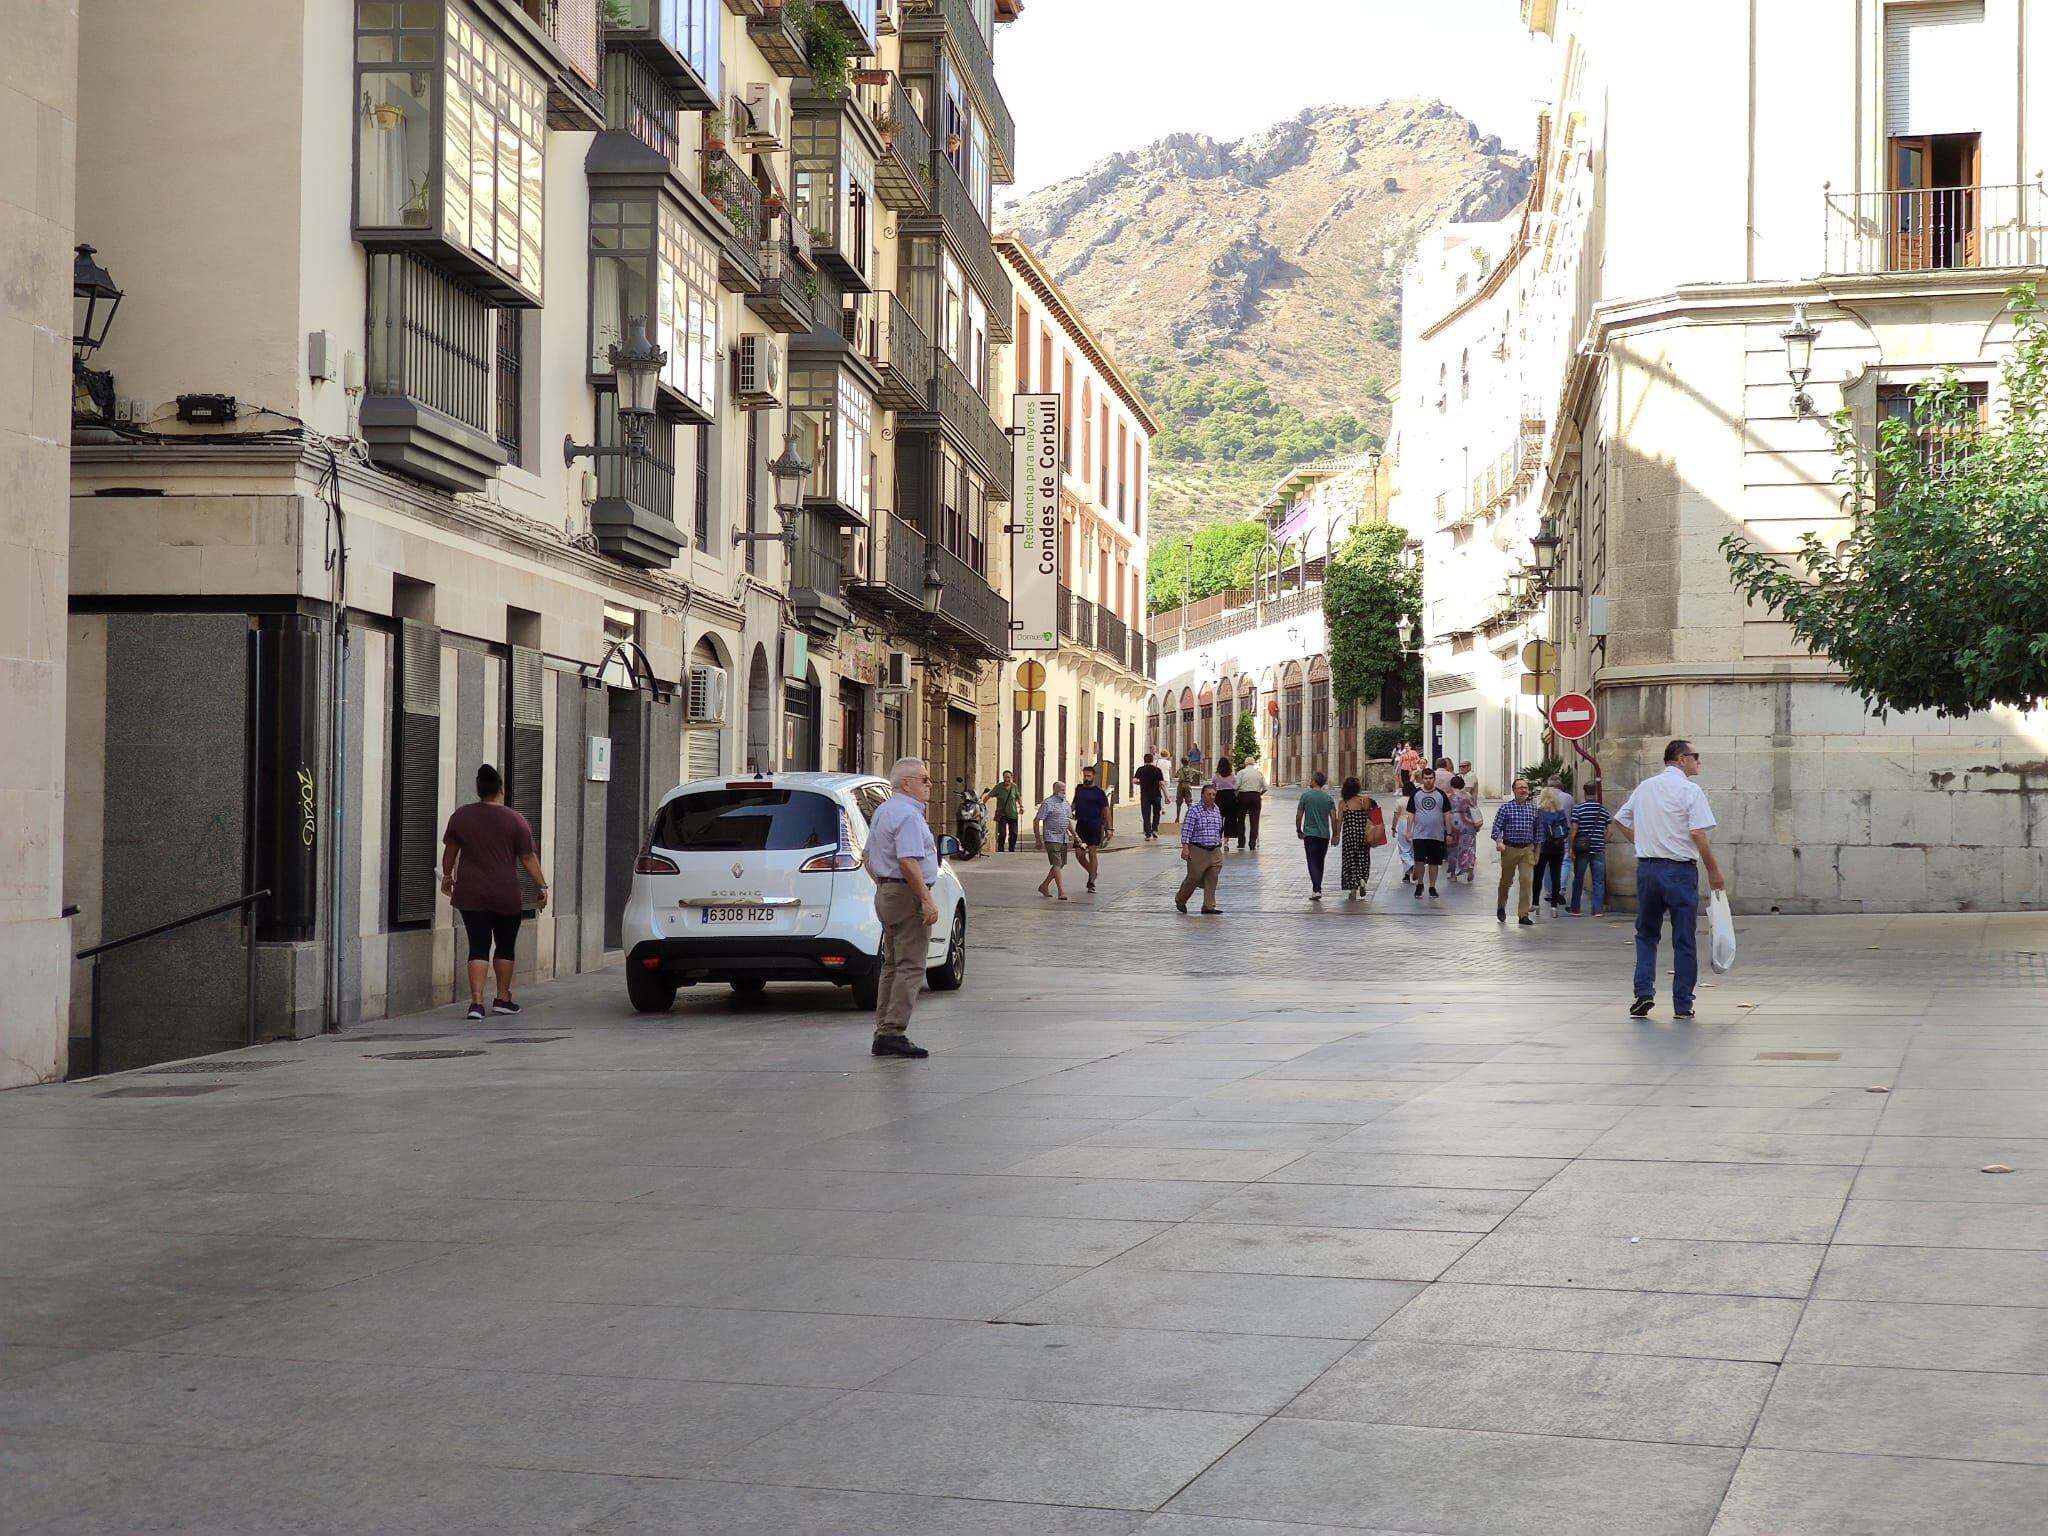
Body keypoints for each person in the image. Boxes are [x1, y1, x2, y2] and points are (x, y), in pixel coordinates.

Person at [1613, 740, 1725, 1020]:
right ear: (1680, 758)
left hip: (1648, 868)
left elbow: (1620, 819)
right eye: (1695, 756)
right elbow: (1699, 833)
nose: (1699, 761)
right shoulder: (1690, 790)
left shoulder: (1646, 787)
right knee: (1684, 937)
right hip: (1680, 870)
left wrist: (1643, 842)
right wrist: (1713, 869)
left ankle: (1643, 993)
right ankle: (1682, 1002)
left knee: (1647, 933)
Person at [440, 764, 547, 1021]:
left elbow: (450, 852)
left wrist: (447, 876)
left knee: (478, 946)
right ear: (501, 789)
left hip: (471, 892)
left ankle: (476, 1002)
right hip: (505, 893)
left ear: (478, 789)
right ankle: (502, 997)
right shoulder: (516, 820)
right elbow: (528, 857)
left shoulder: (461, 817)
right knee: (505, 945)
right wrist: (542, 886)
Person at [864, 757, 940, 1058]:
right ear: (906, 783)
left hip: (888, 890)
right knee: (910, 965)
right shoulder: (908, 815)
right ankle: (892, 1032)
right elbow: (908, 860)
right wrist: (924, 897)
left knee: (892, 964)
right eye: (924, 779)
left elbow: (868, 854)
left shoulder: (884, 810)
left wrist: (883, 884)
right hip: (905, 893)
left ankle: (884, 1029)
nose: (929, 785)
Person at [1491, 777, 1542, 925]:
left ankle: (1523, 914)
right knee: (1506, 881)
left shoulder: (1533, 809)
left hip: (1527, 849)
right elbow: (1496, 828)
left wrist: (1537, 851)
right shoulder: (1505, 808)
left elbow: (1538, 832)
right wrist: (1499, 841)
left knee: (1526, 880)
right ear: (1514, 790)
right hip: (1510, 849)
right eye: (1520, 787)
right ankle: (1501, 906)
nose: (1523, 790)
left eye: (1525, 787)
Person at [1175, 783, 1226, 914]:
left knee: (1213, 876)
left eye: (1214, 794)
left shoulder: (1216, 809)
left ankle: (1209, 906)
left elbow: (1219, 828)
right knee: (1194, 877)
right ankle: (1181, 899)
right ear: (1203, 795)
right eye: (1209, 794)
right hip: (1198, 849)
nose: (1212, 797)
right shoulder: (1194, 810)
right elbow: (1187, 830)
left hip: (1214, 849)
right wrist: (1185, 848)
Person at [1405, 766, 1451, 899]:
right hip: (1420, 834)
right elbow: (1411, 813)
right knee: (1419, 861)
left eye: (1431, 778)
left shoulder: (1441, 795)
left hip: (1436, 835)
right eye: (1426, 778)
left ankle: (1432, 886)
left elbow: (1447, 814)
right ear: (1422, 779)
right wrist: (1409, 830)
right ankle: (1420, 883)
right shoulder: (1416, 794)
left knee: (1434, 862)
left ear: (1434, 779)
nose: (1429, 781)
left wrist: (1449, 832)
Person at [1335, 776, 1384, 900]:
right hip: (1363, 834)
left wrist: (1336, 835)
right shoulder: (1365, 801)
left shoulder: (1343, 803)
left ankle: (1353, 887)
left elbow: (1339, 821)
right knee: (1363, 857)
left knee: (1350, 860)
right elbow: (1376, 817)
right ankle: (1362, 878)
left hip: (1349, 835)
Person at [1569, 781, 1612, 916]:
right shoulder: (1602, 809)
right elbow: (1610, 830)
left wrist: (1571, 847)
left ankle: (1575, 908)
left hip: (1582, 849)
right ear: (1596, 791)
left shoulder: (1578, 808)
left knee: (1579, 878)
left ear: (1584, 791)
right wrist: (1603, 841)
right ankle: (1597, 910)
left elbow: (1574, 829)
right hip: (1598, 849)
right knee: (1598, 881)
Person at [1296, 769, 1337, 900]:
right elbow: (1333, 818)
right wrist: (1335, 834)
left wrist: (1299, 829)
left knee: (1312, 861)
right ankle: (1318, 887)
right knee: (1320, 861)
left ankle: (1316, 888)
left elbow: (1299, 815)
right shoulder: (1328, 798)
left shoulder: (1305, 796)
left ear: (1314, 781)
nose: (1310, 780)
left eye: (1311, 779)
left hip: (1310, 834)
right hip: (1324, 835)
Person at [1072, 765, 1112, 893]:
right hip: (1081, 826)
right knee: (1079, 854)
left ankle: (1091, 882)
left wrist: (1109, 828)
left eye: (1089, 776)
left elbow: (1106, 810)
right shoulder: (1079, 789)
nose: (1086, 778)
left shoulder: (1099, 792)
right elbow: (1074, 804)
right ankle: (1092, 872)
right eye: (1085, 776)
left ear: (1093, 776)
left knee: (1092, 853)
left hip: (1094, 826)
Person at [1033, 780, 1073, 900]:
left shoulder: (1066, 803)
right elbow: (1037, 820)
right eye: (1061, 789)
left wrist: (1075, 836)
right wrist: (1038, 839)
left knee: (1060, 865)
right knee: (1056, 863)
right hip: (1051, 837)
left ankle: (1044, 886)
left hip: (1063, 837)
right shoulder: (1047, 803)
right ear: (1055, 790)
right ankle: (1061, 892)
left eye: (1064, 789)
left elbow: (1068, 821)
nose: (1063, 791)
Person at [1534, 786, 1572, 913]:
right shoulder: (1560, 812)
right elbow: (1566, 831)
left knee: (1538, 875)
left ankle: (1535, 903)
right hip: (1558, 848)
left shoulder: (1538, 812)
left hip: (1542, 847)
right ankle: (1554, 906)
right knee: (1556, 875)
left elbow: (1535, 830)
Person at [1446, 773, 1480, 884]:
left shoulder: (1449, 797)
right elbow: (1474, 808)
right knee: (1468, 846)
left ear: (1451, 785)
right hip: (1468, 822)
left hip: (1454, 823)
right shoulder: (1468, 796)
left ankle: (1453, 874)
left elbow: (1446, 812)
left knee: (1453, 849)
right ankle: (1468, 865)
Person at [982, 770, 1021, 854]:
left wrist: (1021, 807)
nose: (1007, 779)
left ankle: (1011, 850)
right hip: (1002, 814)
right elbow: (988, 796)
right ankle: (1001, 850)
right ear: (1003, 777)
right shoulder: (998, 787)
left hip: (1013, 813)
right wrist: (982, 804)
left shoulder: (1014, 787)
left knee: (1014, 833)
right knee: (1002, 833)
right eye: (1005, 777)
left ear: (1011, 777)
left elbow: (1018, 797)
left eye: (1008, 777)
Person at [1234, 757, 1268, 850]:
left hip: (1243, 796)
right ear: (1253, 764)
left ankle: (1241, 842)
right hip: (1255, 797)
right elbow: (1265, 788)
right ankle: (1252, 843)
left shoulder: (1241, 773)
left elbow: (1236, 786)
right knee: (1254, 821)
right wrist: (1259, 794)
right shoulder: (1259, 773)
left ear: (1245, 764)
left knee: (1240, 820)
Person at [1134, 753, 1166, 841]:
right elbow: (1162, 784)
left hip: (1145, 795)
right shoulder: (1157, 770)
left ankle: (1148, 834)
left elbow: (1134, 780)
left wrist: (1140, 783)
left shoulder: (1140, 769)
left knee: (1146, 814)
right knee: (1156, 813)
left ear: (1144, 760)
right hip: (1156, 795)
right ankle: (1155, 830)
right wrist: (1166, 796)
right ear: (1152, 760)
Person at [1212, 757, 1240, 846]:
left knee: (1219, 819)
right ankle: (1226, 842)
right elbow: (1236, 787)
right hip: (1230, 797)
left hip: (1219, 797)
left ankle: (1218, 839)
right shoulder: (1232, 776)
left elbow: (1213, 787)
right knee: (1229, 819)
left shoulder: (1216, 776)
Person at [1175, 754, 1202, 823]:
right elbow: (1200, 773)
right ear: (1189, 762)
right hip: (1188, 785)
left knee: (1179, 802)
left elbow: (1176, 775)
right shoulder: (1191, 770)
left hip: (1181, 785)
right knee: (1189, 802)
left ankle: (1177, 817)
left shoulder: (1180, 770)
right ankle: (1190, 818)